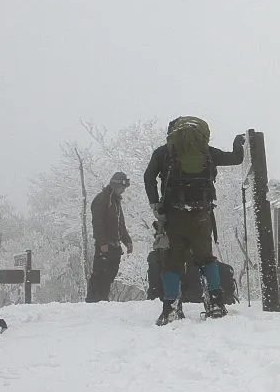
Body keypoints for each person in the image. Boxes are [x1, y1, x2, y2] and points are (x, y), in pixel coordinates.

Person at [144, 117, 244, 325]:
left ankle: (170, 307)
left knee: (171, 261)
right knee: (206, 259)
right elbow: (236, 159)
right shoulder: (206, 151)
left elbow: (148, 177)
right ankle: (215, 302)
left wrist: (155, 204)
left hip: (173, 216)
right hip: (201, 215)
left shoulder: (163, 153)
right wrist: (238, 143)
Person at [86, 171, 133, 302]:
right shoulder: (102, 199)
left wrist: (127, 241)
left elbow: (120, 224)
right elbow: (97, 222)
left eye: (124, 188)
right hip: (105, 246)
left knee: (110, 275)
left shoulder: (116, 202)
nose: (123, 190)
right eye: (122, 187)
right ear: (114, 185)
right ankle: (93, 300)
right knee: (100, 274)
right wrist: (102, 243)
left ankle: (102, 298)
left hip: (115, 246)